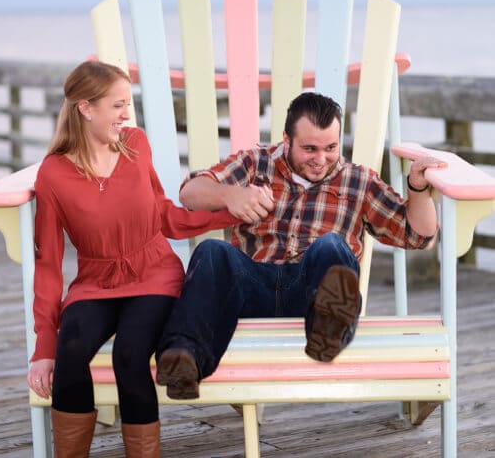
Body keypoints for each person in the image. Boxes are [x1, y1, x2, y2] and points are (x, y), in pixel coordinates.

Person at [154, 91, 444, 401]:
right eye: (309, 149)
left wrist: (417, 189)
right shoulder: (255, 163)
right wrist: (230, 196)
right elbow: (189, 194)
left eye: (330, 148)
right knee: (213, 252)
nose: (321, 160)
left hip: (311, 295)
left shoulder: (358, 181)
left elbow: (419, 236)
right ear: (286, 139)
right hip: (252, 289)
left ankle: (329, 331)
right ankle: (184, 358)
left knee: (331, 245)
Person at [25, 61, 240, 457]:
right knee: (69, 351)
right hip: (95, 282)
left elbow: (166, 216)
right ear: (86, 109)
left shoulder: (136, 145)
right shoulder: (53, 174)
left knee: (129, 354)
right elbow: (49, 262)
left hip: (154, 275)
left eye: (129, 104)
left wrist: (230, 212)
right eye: (117, 105)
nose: (127, 114)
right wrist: (43, 347)